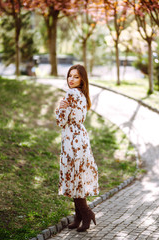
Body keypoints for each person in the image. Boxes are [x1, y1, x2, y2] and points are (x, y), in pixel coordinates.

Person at [55, 64, 99, 232]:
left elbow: (61, 121)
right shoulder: (82, 95)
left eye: (76, 77)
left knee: (74, 179)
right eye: (70, 76)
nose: (71, 79)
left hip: (72, 141)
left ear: (82, 80)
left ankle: (87, 213)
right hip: (79, 139)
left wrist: (60, 108)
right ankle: (79, 216)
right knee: (77, 178)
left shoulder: (71, 94)